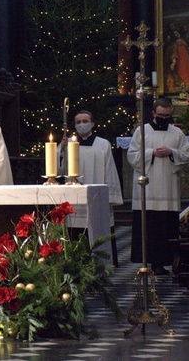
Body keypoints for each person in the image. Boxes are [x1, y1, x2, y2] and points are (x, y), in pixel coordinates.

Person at [127, 98, 189, 276]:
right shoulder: (142, 131)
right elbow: (132, 156)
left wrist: (172, 152)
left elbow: (187, 156)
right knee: (150, 227)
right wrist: (151, 153)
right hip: (147, 189)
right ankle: (149, 261)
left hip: (168, 189)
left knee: (166, 227)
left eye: (167, 115)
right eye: (161, 115)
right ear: (154, 113)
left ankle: (167, 261)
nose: (164, 118)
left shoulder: (177, 133)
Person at [59, 110, 123, 265]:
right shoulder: (69, 144)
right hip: (75, 201)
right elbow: (59, 170)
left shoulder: (103, 144)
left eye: (85, 121)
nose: (82, 124)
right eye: (78, 122)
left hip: (96, 198)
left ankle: (101, 266)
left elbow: (110, 170)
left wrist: (110, 196)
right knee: (76, 230)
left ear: (93, 124)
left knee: (97, 228)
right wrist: (61, 149)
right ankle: (76, 266)